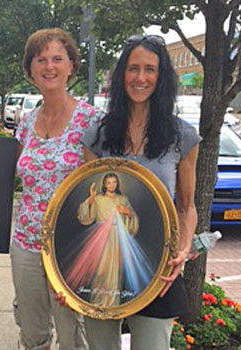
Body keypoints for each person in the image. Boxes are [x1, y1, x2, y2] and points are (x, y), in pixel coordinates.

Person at [79, 34, 200, 350]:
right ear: (122, 75)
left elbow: (186, 206)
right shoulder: (98, 136)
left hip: (159, 268)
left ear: (161, 79)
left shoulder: (182, 137)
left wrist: (183, 249)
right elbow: (84, 204)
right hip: (104, 266)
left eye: (150, 69)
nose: (141, 78)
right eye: (133, 69)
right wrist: (71, 272)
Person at [11, 28, 102, 350]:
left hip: (72, 247)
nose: (49, 66)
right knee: (32, 332)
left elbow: (103, 186)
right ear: (31, 69)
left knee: (72, 335)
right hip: (26, 242)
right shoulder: (26, 121)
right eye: (41, 59)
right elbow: (4, 176)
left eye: (57, 59)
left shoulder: (91, 120)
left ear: (71, 66)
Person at [68, 173, 150, 308]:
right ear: (104, 185)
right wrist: (91, 198)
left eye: (114, 182)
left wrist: (127, 212)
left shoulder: (122, 199)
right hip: (101, 237)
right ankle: (97, 303)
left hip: (117, 238)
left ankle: (112, 305)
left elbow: (132, 217)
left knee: (115, 272)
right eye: (109, 182)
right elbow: (85, 216)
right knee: (100, 270)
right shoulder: (99, 199)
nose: (112, 185)